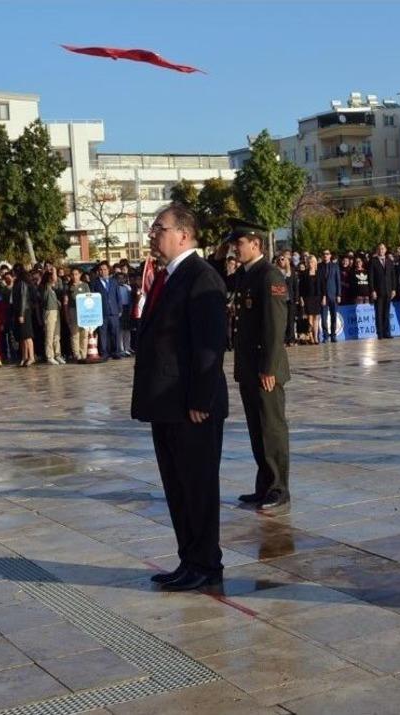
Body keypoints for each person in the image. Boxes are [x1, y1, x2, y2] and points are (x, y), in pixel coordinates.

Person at [132, 203, 228, 592]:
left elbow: (209, 346)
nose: (153, 235)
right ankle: (189, 559)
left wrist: (201, 400)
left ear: (184, 234)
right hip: (167, 405)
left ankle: (206, 563)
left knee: (198, 487)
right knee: (177, 486)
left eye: (159, 228)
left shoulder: (201, 277)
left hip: (192, 407)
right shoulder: (166, 277)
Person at [229, 219, 291, 511]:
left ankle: (279, 488)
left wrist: (269, 367)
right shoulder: (245, 275)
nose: (234, 249)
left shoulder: (269, 276)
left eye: (239, 244)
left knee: (272, 428)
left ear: (255, 244)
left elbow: (275, 327)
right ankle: (264, 485)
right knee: (257, 429)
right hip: (249, 366)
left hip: (265, 368)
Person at [91, 261, 123, 360]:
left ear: (108, 270)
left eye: (104, 269)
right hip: (101, 312)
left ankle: (116, 352)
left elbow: (118, 296)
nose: (103, 271)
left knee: (115, 332)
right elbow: (92, 298)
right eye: (100, 270)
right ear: (98, 271)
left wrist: (119, 308)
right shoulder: (95, 283)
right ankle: (104, 353)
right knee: (103, 334)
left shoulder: (114, 281)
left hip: (114, 311)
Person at [11, 266, 36, 367]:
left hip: (24, 311)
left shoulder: (22, 283)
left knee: (27, 335)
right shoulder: (17, 282)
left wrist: (21, 314)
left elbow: (23, 298)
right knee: (21, 336)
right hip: (19, 311)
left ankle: (31, 357)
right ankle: (24, 357)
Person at [369, 243, 395, 339]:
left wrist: (394, 289)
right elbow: (370, 277)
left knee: (386, 313)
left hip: (388, 291)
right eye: (379, 249)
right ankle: (380, 333)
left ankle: (387, 332)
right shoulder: (373, 261)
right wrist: (372, 290)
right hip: (378, 291)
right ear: (377, 250)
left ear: (386, 250)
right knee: (379, 313)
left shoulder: (389, 261)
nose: (381, 250)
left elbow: (393, 276)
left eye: (383, 248)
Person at [318, 250, 342, 342]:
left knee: (333, 316)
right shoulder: (319, 266)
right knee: (323, 317)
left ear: (330, 255)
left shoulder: (335, 266)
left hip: (333, 294)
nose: (325, 255)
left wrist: (339, 294)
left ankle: (333, 335)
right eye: (324, 254)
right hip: (323, 296)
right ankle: (325, 336)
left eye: (327, 254)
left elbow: (338, 281)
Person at [41, 271, 64, 365]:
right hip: (49, 312)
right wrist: (53, 269)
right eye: (52, 277)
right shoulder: (46, 287)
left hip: (56, 311)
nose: (54, 279)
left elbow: (58, 283)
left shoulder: (54, 288)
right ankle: (49, 355)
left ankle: (57, 354)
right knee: (49, 335)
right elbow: (54, 278)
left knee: (57, 335)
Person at [299, 255, 323, 345]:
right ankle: (311, 337)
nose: (311, 263)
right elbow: (301, 287)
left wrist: (323, 297)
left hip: (317, 297)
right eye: (309, 262)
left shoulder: (319, 272)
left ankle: (316, 336)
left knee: (316, 317)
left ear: (315, 263)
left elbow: (322, 286)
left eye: (312, 262)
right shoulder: (304, 273)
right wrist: (301, 298)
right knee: (310, 317)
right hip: (308, 297)